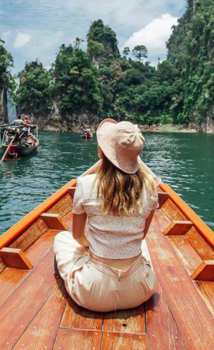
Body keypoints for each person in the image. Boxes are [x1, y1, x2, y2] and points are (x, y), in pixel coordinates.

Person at [53, 118, 159, 312]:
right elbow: (142, 235)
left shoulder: (85, 185)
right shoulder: (151, 187)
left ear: (104, 150)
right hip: (139, 290)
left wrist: (89, 247)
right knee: (142, 245)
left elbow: (77, 236)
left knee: (61, 238)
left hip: (93, 293)